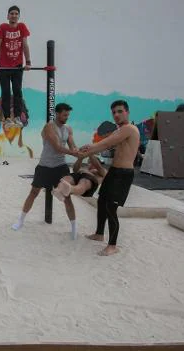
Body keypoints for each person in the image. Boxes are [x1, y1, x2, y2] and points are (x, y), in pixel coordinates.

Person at [78, 100, 140, 256]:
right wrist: (87, 150)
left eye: (120, 111)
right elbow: (103, 144)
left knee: (111, 208)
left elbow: (106, 143)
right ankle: (99, 233)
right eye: (114, 112)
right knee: (102, 201)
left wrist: (85, 151)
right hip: (114, 171)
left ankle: (112, 246)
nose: (116, 115)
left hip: (123, 174)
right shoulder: (120, 130)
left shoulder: (129, 129)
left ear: (127, 112)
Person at [12, 103, 78, 239]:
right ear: (58, 114)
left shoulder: (68, 129)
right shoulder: (49, 127)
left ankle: (74, 228)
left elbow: (72, 145)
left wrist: (78, 151)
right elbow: (57, 147)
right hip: (45, 166)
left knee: (67, 197)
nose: (67, 117)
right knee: (34, 193)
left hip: (60, 166)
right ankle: (20, 220)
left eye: (68, 115)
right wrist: (74, 153)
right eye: (65, 115)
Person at [0, 5, 31, 128]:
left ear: (18, 16)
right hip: (4, 67)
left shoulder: (22, 27)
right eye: (11, 13)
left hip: (17, 67)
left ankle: (18, 117)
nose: (14, 15)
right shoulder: (3, 27)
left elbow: (25, 45)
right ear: (8, 16)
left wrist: (28, 62)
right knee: (5, 92)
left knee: (17, 91)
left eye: (16, 14)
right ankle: (7, 118)